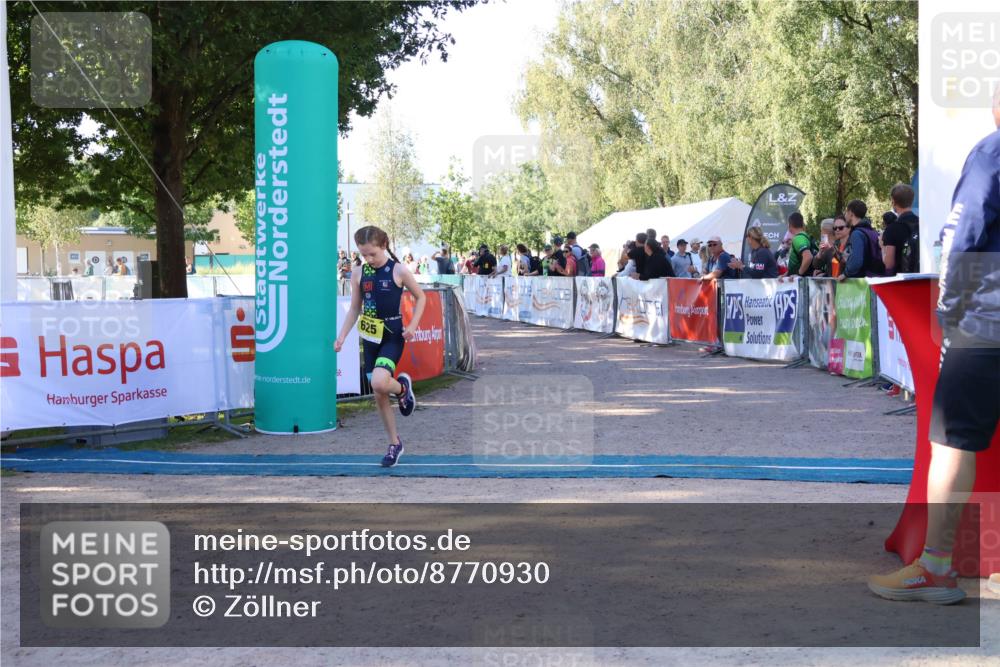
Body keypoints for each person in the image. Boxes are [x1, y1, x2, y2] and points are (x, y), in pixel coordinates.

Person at [868, 87, 1000, 604]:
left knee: (951, 442)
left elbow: (963, 233)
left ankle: (937, 569)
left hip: (986, 320)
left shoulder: (991, 152)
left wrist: (946, 311)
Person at [335, 225, 425, 468]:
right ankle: (394, 443)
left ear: (383, 246)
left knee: (377, 381)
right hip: (370, 338)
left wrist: (413, 325)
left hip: (393, 335)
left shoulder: (398, 270)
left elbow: (421, 297)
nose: (368, 259)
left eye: (372, 253)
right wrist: (342, 336)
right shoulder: (358, 273)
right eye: (364, 254)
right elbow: (355, 307)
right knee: (379, 392)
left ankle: (402, 389)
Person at [841, 199, 886, 279]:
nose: (844, 216)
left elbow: (857, 261)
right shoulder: (872, 232)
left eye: (846, 212)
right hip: (874, 277)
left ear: (851, 213)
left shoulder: (857, 234)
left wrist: (845, 274)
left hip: (861, 282)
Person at [882, 183, 920, 276]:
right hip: (922, 278)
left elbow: (889, 264)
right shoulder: (922, 224)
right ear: (912, 201)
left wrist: (882, 247)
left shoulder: (892, 229)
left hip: (902, 282)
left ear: (893, 202)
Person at [785, 212, 815, 278]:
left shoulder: (798, 238)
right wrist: (786, 275)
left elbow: (808, 257)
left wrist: (798, 274)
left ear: (790, 225)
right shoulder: (805, 236)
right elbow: (798, 263)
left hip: (799, 283)